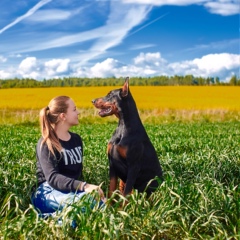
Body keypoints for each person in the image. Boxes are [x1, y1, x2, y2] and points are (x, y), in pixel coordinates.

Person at [31, 95, 105, 217]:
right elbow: (53, 178)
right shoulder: (46, 143)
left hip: (70, 193)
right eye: (74, 109)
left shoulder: (76, 140)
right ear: (63, 116)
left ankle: (56, 218)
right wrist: (84, 186)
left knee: (97, 202)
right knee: (88, 203)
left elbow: (76, 173)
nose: (79, 112)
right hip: (46, 193)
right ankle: (47, 218)